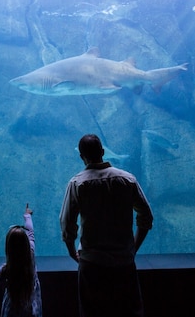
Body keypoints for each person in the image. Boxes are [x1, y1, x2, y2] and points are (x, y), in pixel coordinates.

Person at [60, 134, 153, 317]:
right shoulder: (127, 180)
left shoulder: (77, 183)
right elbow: (146, 216)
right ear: (103, 152)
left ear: (81, 156)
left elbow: (67, 222)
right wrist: (133, 247)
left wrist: (71, 249)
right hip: (124, 263)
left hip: (91, 263)